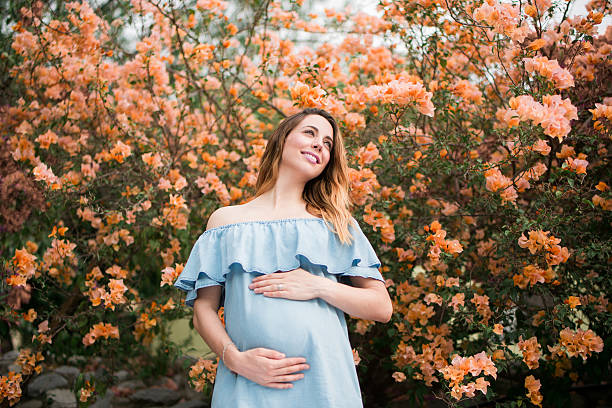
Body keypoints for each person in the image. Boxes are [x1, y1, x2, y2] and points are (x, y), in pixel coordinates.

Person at [174, 107, 393, 407]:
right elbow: (203, 311)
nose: (320, 145)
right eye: (310, 133)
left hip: (325, 383)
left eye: (328, 143)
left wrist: (318, 286)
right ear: (281, 140)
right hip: (248, 381)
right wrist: (236, 360)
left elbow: (381, 307)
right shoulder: (226, 222)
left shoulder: (336, 224)